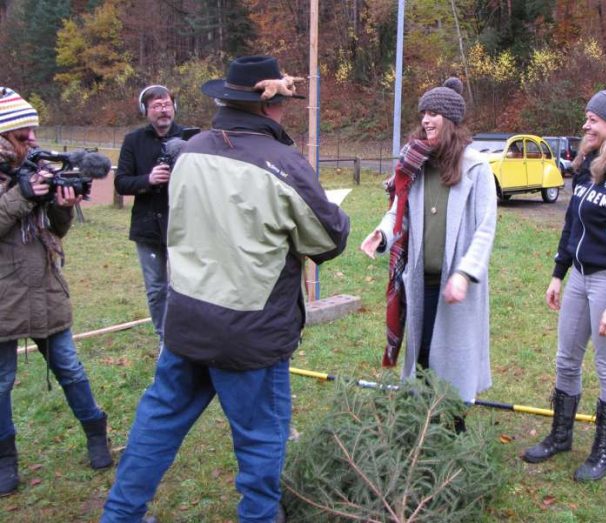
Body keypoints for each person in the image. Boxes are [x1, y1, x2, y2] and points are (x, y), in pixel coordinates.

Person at [101, 56, 350, 523]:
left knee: (157, 423)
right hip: (249, 332)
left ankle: (120, 515)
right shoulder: (283, 163)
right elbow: (328, 240)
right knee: (260, 441)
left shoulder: (188, 151)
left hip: (187, 319)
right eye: (284, 104)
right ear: (269, 106)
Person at [522, 89, 606, 481]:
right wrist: (557, 274)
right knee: (566, 359)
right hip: (579, 278)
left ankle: (603, 453)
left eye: (592, 119)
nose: (585, 125)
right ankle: (560, 436)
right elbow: (572, 226)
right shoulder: (588, 167)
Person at [360, 78, 497, 415]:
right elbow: (400, 210)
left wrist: (464, 274)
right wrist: (382, 233)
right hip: (421, 280)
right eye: (423, 113)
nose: (425, 120)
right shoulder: (417, 164)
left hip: (456, 285)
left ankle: (454, 424)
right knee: (421, 355)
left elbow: (485, 228)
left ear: (450, 121)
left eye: (434, 113)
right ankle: (420, 424)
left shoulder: (476, 167)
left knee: (454, 359)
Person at [0, 87, 112, 496]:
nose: (32, 141)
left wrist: (62, 205)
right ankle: (4, 459)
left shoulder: (36, 167)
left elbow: (55, 232)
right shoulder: (19, 179)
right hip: (3, 299)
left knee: (70, 369)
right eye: (21, 135)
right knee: (0, 383)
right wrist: (22, 195)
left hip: (44, 288)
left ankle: (96, 433)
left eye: (33, 133)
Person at [114, 84, 185, 346]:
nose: (163, 110)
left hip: (183, 226)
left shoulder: (190, 138)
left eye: (166, 104)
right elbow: (121, 182)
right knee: (157, 289)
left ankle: (188, 338)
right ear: (146, 111)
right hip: (148, 227)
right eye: (156, 106)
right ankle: (165, 341)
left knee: (187, 287)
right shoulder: (133, 141)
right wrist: (148, 179)